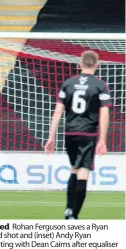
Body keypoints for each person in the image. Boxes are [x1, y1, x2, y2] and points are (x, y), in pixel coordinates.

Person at [44, 50, 111, 220]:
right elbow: (104, 114)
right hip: (88, 134)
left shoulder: (68, 83)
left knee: (74, 170)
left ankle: (68, 209)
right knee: (83, 173)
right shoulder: (100, 85)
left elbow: (57, 111)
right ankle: (74, 215)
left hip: (70, 133)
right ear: (96, 64)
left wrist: (51, 137)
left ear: (80, 64)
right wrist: (102, 140)